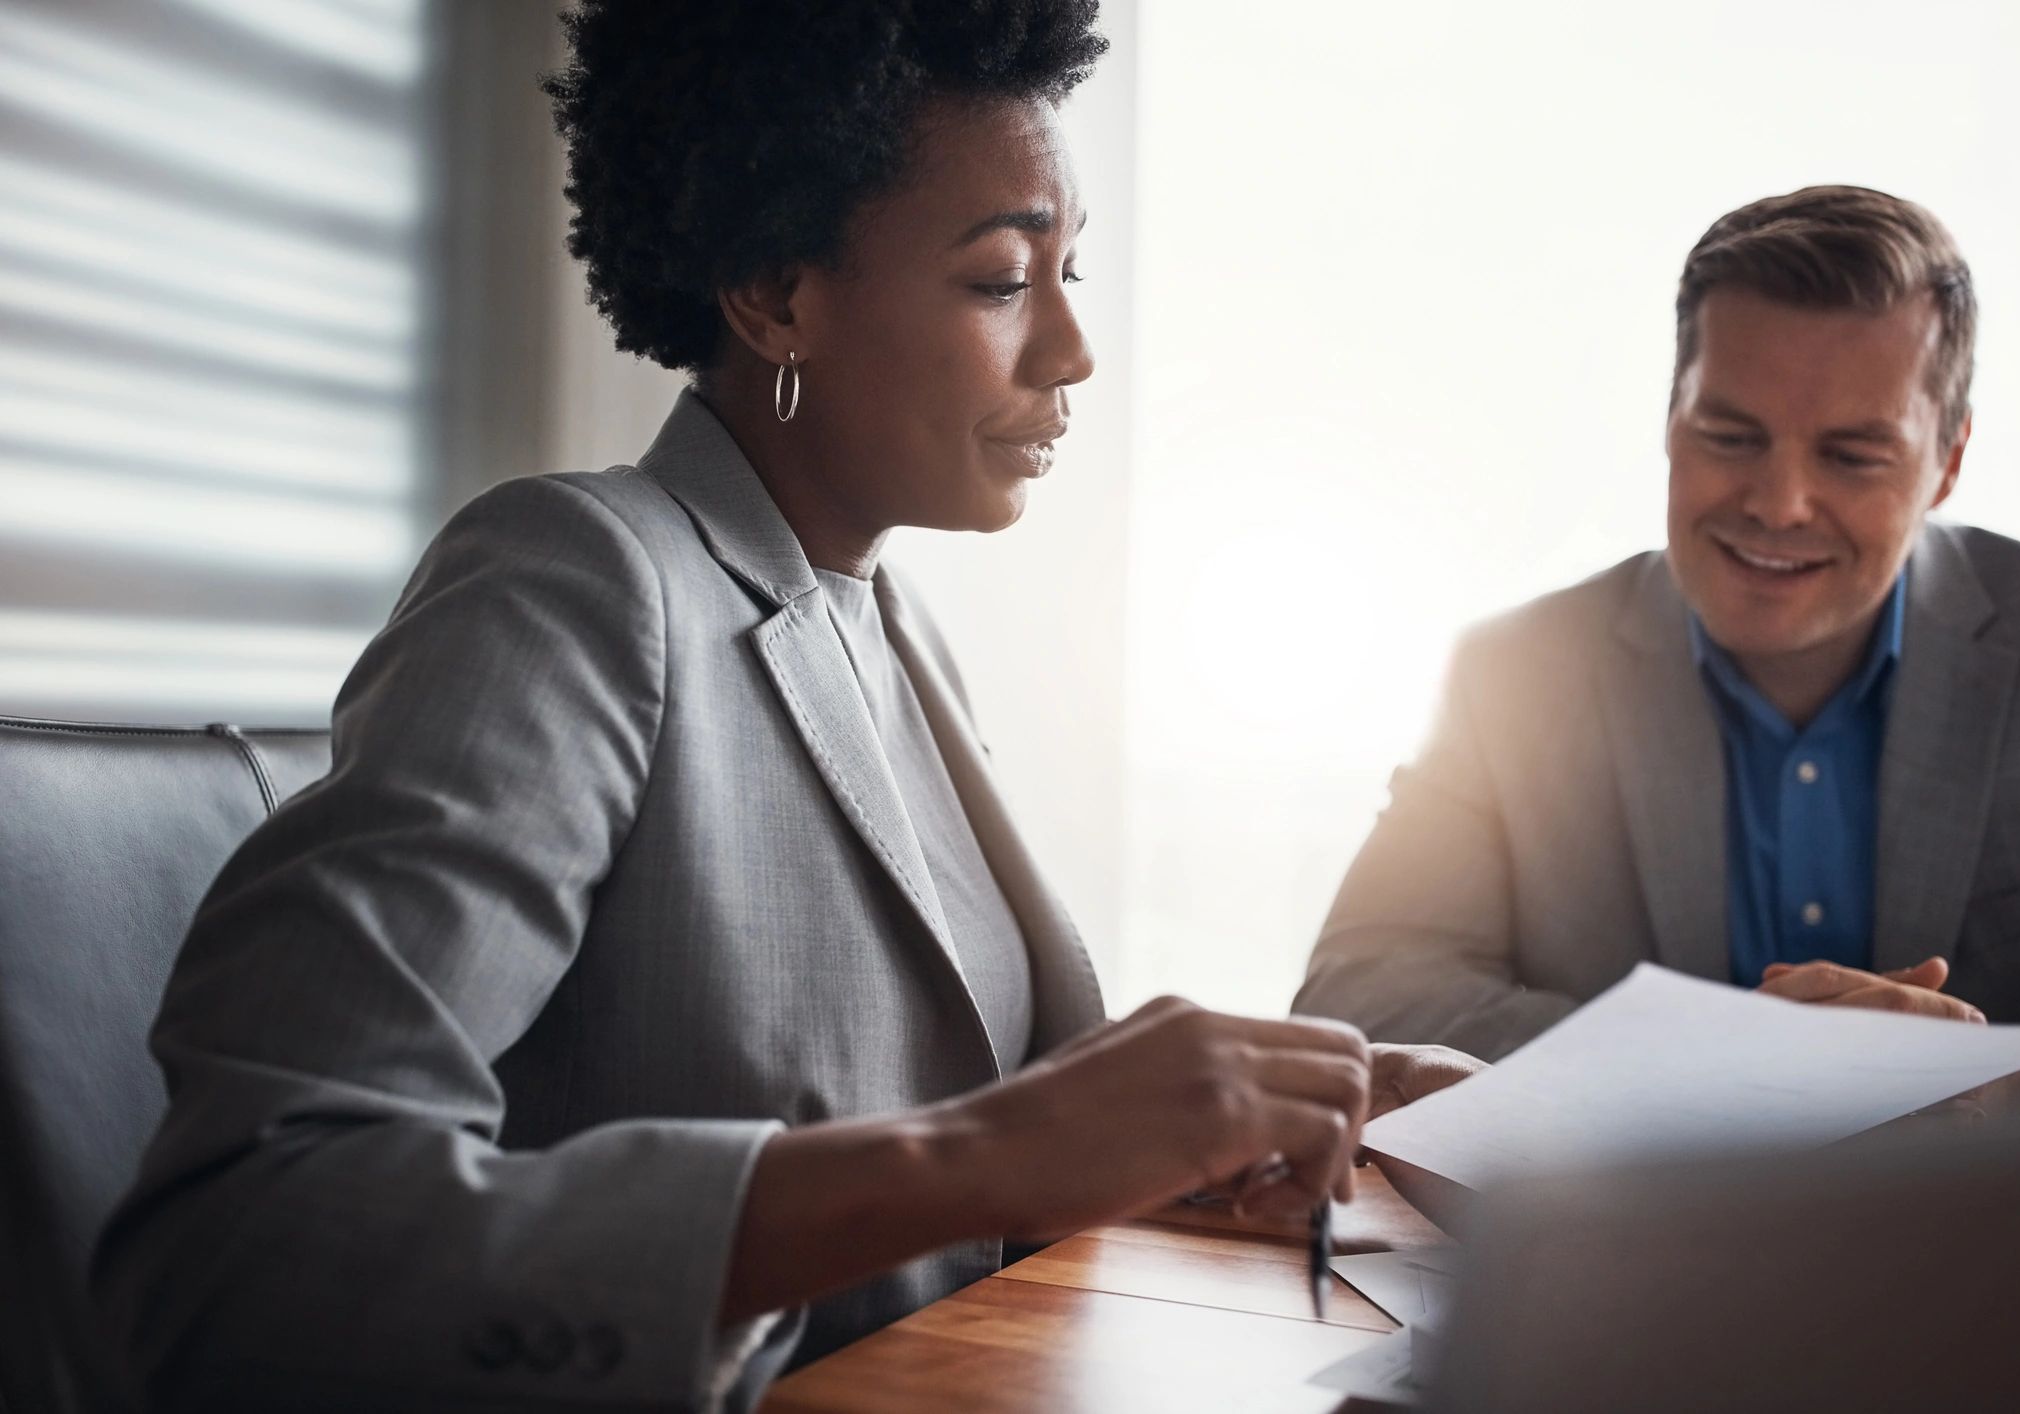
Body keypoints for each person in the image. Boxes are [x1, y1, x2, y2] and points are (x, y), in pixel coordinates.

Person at [93, 4, 1478, 1409]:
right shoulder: (577, 581)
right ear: (773, 291)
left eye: (1069, 270)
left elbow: (987, 1148)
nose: (1071, 350)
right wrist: (980, 1156)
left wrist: (1272, 1103)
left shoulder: (885, 622)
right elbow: (239, 1246)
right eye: (1003, 278)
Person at [1296, 185, 2020, 1117]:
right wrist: (1715, 1069)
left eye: (1851, 456)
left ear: (1948, 461)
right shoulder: (1513, 674)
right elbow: (1358, 994)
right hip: (1634, 1253)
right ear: (1669, 421)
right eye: (1729, 436)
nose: (1778, 503)